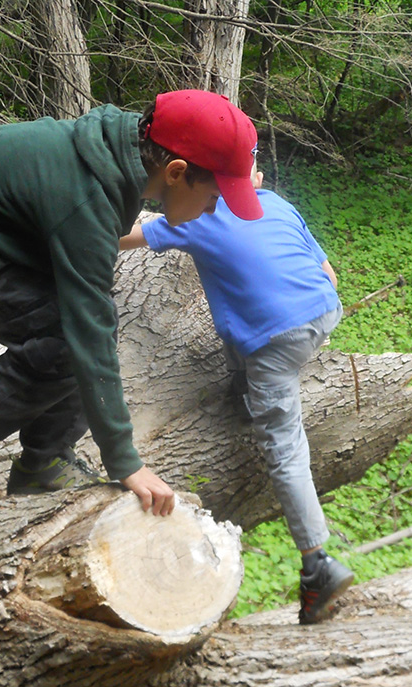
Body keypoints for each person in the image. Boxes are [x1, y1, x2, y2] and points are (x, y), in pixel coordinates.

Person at [0, 90, 263, 517]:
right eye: (215, 197)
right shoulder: (88, 199)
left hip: (4, 227)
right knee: (69, 341)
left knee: (82, 331)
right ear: (176, 171)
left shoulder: (134, 150)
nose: (214, 210)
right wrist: (125, 461)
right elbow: (87, 331)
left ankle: (43, 460)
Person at [119, 165, 354, 623]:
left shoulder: (197, 218)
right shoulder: (278, 204)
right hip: (325, 310)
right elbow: (330, 275)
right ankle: (246, 383)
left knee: (285, 448)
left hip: (275, 341)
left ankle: (317, 563)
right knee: (238, 326)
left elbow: (127, 237)